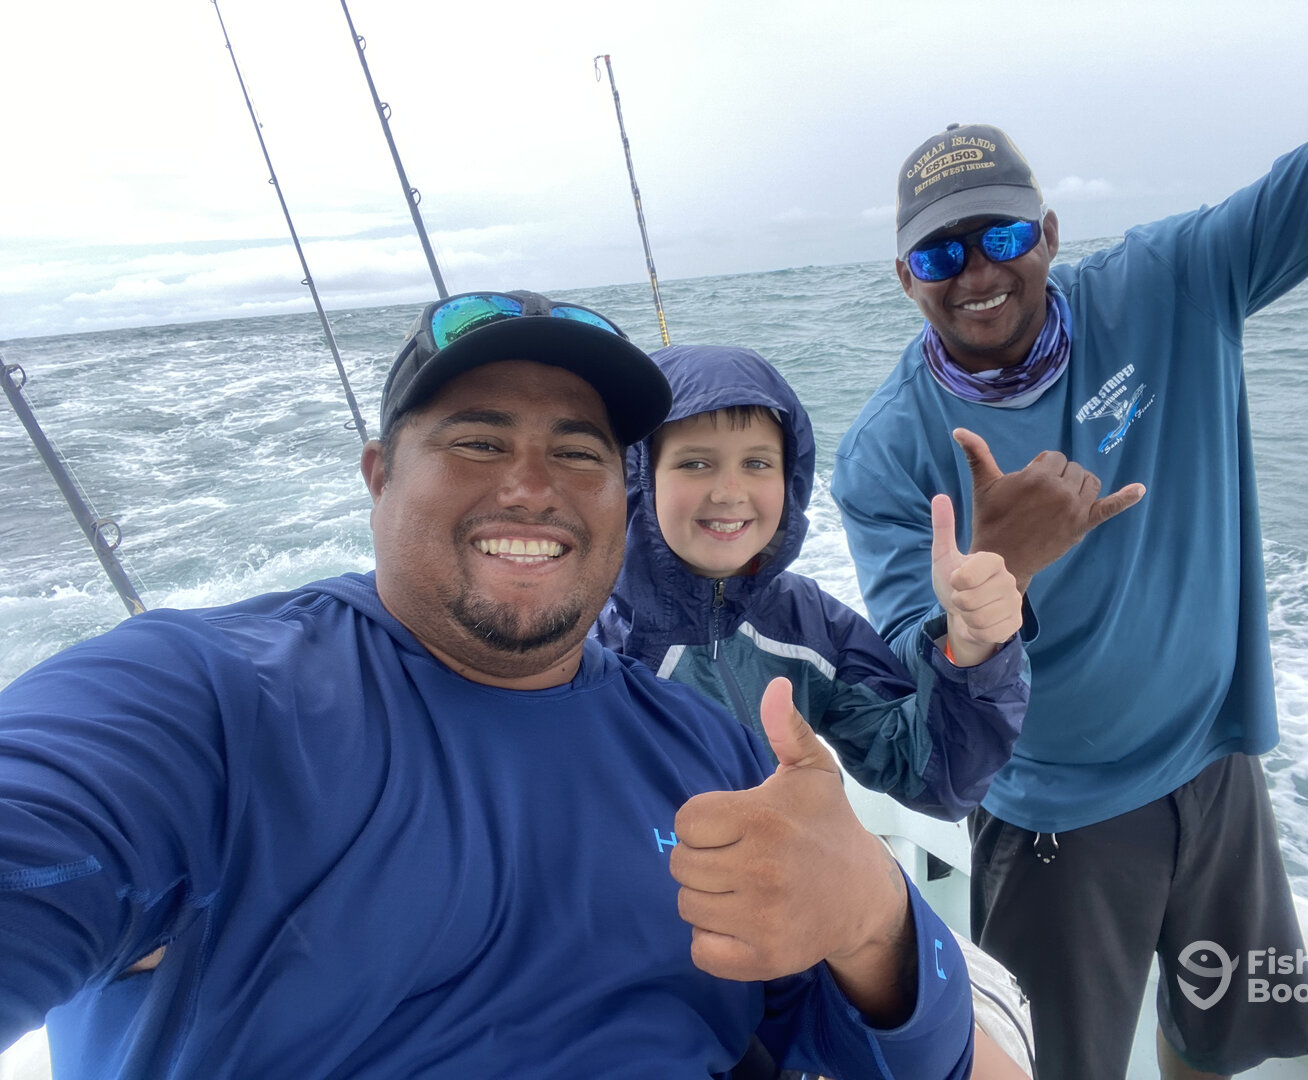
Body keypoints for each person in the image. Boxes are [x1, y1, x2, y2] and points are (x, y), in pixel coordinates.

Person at [0, 290, 977, 1078]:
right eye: (478, 441)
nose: (532, 487)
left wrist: (874, 916)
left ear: (623, 497)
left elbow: (912, 1059)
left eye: (580, 453)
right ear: (379, 476)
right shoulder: (199, 698)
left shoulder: (715, 746)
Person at [830, 3, 1308, 1079]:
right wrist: (1000, 574)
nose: (977, 271)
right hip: (1054, 816)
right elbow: (928, 680)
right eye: (941, 251)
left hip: (1216, 765)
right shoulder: (886, 451)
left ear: (1050, 235)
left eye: (1002, 236)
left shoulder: (1174, 283)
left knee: (1216, 1039)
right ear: (904, 275)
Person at [595, 343, 1028, 821]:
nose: (728, 492)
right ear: (641, 477)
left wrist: (969, 647)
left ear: (792, 477)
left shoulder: (808, 619)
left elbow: (930, 777)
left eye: (757, 463)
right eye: (695, 463)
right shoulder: (587, 640)